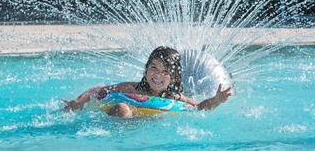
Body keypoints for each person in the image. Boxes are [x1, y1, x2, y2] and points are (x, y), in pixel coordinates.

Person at [62, 46, 234, 117]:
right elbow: (98, 90)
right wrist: (76, 103)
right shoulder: (131, 88)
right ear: (146, 70)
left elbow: (198, 107)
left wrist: (217, 100)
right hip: (123, 119)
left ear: (173, 78)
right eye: (154, 68)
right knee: (122, 108)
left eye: (165, 72)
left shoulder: (173, 97)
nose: (158, 75)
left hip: (149, 120)